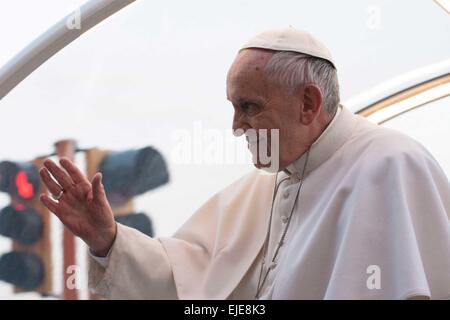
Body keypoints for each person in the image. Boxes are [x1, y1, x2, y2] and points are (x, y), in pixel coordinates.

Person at [39, 27, 450, 299]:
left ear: (308, 103)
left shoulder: (390, 165)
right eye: (234, 108)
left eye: (248, 107)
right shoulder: (264, 186)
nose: (236, 127)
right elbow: (183, 282)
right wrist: (108, 238)